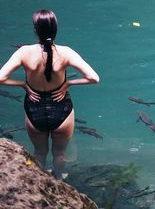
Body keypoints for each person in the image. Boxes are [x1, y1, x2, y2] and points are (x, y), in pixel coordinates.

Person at [0, 10, 100, 178]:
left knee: (39, 152)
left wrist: (23, 84)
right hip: (61, 108)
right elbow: (94, 78)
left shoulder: (24, 52)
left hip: (34, 108)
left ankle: (40, 181)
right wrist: (68, 83)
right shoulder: (66, 52)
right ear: (55, 29)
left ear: (35, 30)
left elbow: (1, 78)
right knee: (59, 154)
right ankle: (58, 179)